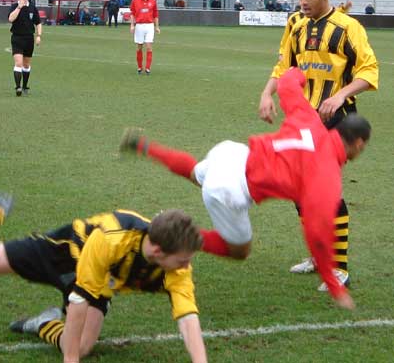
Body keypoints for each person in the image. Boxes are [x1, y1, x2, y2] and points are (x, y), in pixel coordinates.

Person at [120, 67, 371, 310]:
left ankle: (145, 147)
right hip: (231, 188)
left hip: (232, 154)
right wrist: (334, 285)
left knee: (196, 173)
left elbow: (286, 83)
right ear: (358, 144)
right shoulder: (327, 176)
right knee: (239, 250)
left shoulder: (311, 120)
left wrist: (300, 75)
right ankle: (170, 232)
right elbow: (317, 235)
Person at [0, 186, 207, 363]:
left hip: (100, 281)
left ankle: (42, 323)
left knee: (81, 346)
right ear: (158, 250)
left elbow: (187, 317)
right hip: (63, 252)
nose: (187, 265)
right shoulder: (111, 239)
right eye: (183, 259)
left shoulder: (178, 267)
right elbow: (80, 299)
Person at [258, 0, 378, 291]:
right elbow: (285, 66)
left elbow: (370, 70)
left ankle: (339, 268)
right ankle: (317, 256)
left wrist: (340, 94)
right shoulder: (295, 24)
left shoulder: (348, 28)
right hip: (304, 119)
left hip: (336, 120)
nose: (303, 1)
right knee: (300, 191)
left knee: (325, 191)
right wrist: (266, 93)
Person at [8, 0, 42, 97]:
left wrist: (38, 36)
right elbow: (10, 19)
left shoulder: (32, 8)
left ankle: (25, 86)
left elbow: (38, 22)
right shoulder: (14, 6)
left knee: (26, 65)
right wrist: (19, 7)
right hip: (17, 38)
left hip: (29, 39)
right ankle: (17, 87)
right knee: (18, 63)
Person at [130, 0, 160, 75]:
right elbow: (132, 14)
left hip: (149, 26)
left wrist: (157, 27)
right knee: (139, 46)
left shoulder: (153, 1)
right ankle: (139, 67)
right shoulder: (135, 1)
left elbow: (155, 15)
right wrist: (132, 25)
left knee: (149, 46)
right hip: (139, 26)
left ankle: (147, 68)